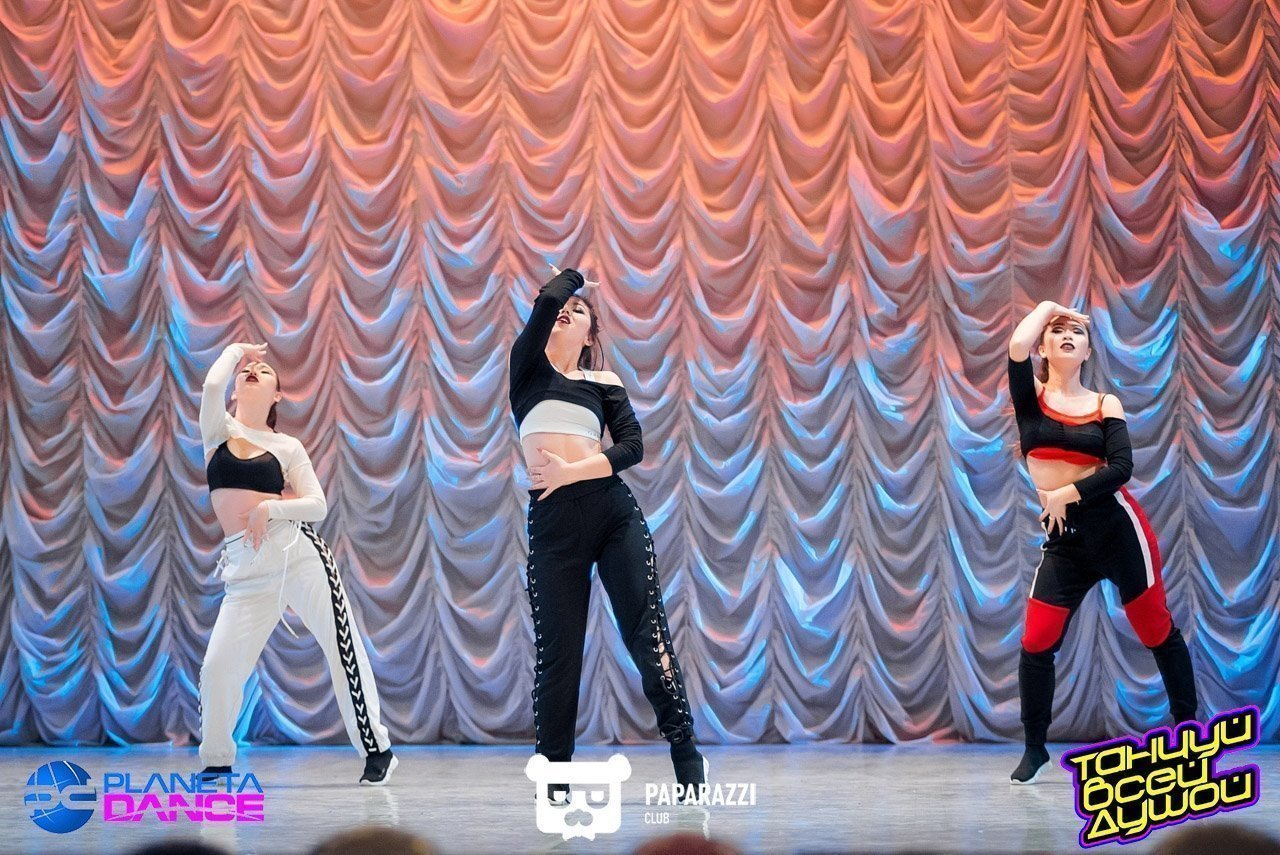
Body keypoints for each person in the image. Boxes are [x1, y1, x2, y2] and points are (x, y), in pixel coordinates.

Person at [510, 267, 706, 802]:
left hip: (612, 513)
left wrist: (573, 471)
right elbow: (546, 303)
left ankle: (686, 752)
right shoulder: (526, 367)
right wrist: (572, 281)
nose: (565, 311)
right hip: (552, 525)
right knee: (559, 656)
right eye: (562, 308)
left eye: (578, 311)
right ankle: (555, 778)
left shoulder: (605, 382)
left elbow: (632, 446)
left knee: (647, 634)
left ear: (589, 334)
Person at [1007, 302, 1198, 784]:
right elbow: (1016, 345)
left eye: (1077, 332)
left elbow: (1122, 469)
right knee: (1036, 641)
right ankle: (1034, 748)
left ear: (1088, 351)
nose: (1068, 335)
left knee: (1156, 630)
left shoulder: (1104, 403)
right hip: (1065, 541)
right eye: (1058, 331)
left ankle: (1189, 735)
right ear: (1044, 347)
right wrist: (1049, 308)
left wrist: (1066, 493)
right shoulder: (1030, 398)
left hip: (1117, 530)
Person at [197, 342, 396, 785]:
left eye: (265, 370)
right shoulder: (217, 429)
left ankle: (376, 750)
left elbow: (317, 504)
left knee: (341, 646)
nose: (253, 369)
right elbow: (211, 384)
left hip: (296, 553)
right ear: (235, 390)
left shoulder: (287, 445)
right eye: (246, 369)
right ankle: (216, 759)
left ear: (277, 396)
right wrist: (237, 349)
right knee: (217, 667)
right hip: (245, 568)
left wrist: (271, 509)